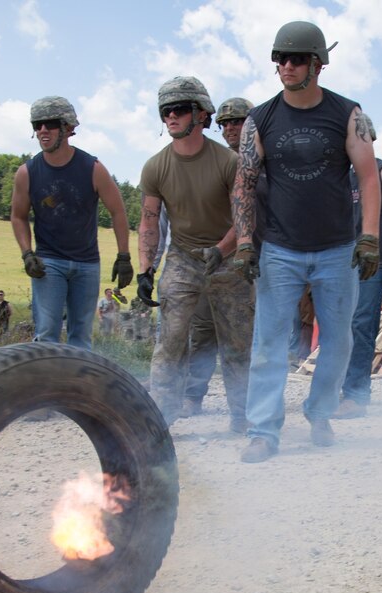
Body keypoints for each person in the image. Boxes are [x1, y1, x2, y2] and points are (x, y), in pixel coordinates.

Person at [231, 19, 380, 462]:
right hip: (280, 249)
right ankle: (263, 431)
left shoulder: (348, 114)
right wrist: (243, 241)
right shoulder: (260, 118)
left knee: (339, 340)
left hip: (337, 248)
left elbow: (369, 178)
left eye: (296, 59)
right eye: (280, 59)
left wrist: (369, 237)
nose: (286, 66)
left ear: (318, 64)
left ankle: (319, 412)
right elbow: (244, 182)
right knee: (269, 343)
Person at [136, 77, 255, 433]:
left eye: (180, 109)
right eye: (165, 111)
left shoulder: (228, 162)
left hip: (228, 259)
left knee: (237, 344)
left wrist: (221, 251)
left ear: (201, 114)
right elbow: (149, 220)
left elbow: (245, 217)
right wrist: (145, 269)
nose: (171, 116)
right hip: (183, 258)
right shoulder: (155, 166)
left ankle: (242, 416)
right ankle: (161, 420)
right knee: (170, 342)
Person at [10, 96, 132, 350]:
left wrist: (124, 257)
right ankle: (47, 388)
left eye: (50, 124)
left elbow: (118, 212)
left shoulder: (92, 168)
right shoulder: (27, 172)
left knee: (81, 337)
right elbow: (18, 216)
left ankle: (79, 389)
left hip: (86, 262)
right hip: (48, 261)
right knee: (47, 335)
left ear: (67, 128)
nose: (43, 130)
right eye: (37, 124)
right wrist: (27, 254)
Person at [181, 97, 257, 418]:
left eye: (237, 122)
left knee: (239, 338)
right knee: (201, 332)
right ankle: (193, 397)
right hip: (209, 257)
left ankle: (242, 408)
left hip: (244, 261)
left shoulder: (259, 164)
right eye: (224, 123)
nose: (229, 128)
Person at [334, 115, 382, 419]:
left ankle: (356, 395)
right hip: (342, 262)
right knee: (339, 327)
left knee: (362, 324)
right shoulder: (343, 178)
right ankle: (338, 390)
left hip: (375, 263)